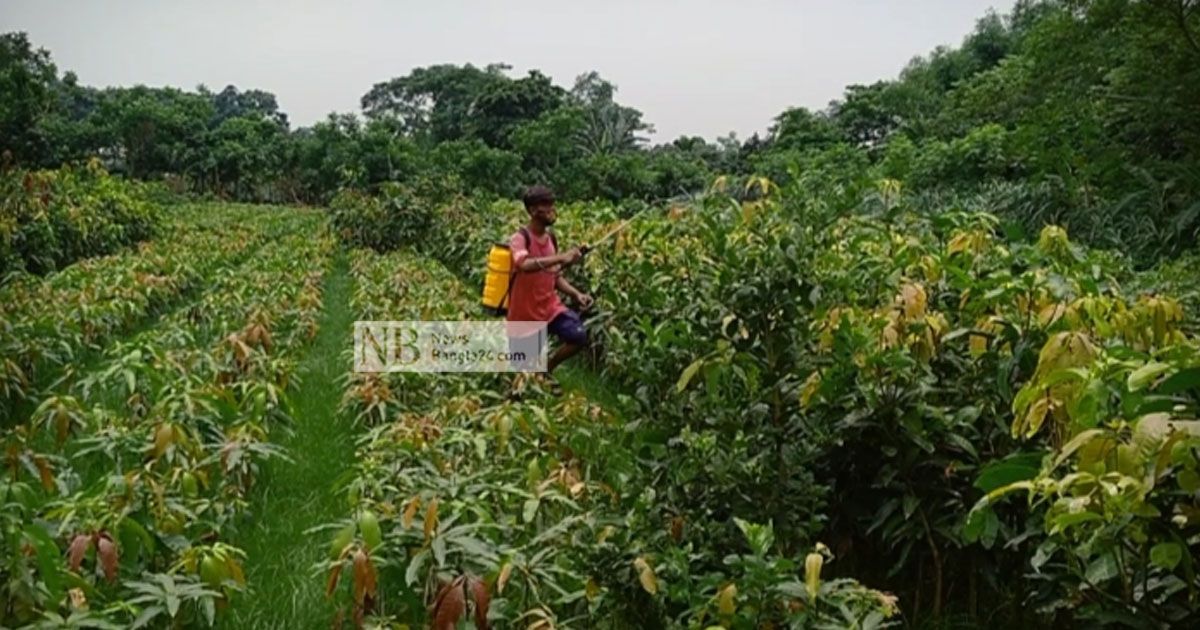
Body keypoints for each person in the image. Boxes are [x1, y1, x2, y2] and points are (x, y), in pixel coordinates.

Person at [507, 185, 592, 393]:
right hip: (524, 314)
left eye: (553, 204)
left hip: (550, 308)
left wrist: (576, 294)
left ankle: (547, 370)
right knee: (521, 384)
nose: (553, 209)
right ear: (534, 211)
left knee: (578, 336)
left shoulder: (551, 239)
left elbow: (554, 276)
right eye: (547, 205)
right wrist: (561, 257)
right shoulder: (520, 239)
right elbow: (524, 265)